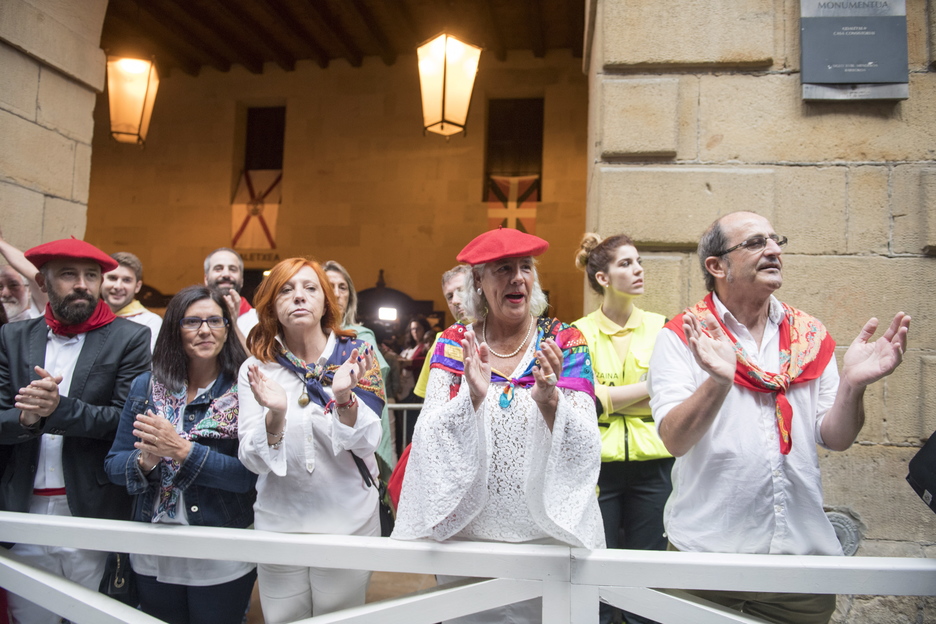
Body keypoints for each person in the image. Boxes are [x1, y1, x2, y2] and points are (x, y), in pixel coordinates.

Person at [648, 211, 910, 624]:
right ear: (717, 266)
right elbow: (675, 441)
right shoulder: (685, 335)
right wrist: (718, 381)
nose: (773, 250)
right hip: (705, 559)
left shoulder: (810, 336)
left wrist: (854, 386)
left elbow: (835, 437)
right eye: (754, 243)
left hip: (799, 569)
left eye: (775, 240)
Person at [392, 228, 604, 624]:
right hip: (466, 540)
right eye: (504, 269)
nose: (518, 278)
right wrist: (471, 397)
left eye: (526, 268)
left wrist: (550, 401)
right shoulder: (454, 343)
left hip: (545, 541)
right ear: (478, 281)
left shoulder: (564, 340)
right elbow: (429, 439)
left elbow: (586, 446)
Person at [0, 238, 151, 624]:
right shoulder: (12, 338)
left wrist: (57, 410)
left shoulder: (129, 338)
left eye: (91, 275)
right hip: (21, 510)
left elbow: (125, 422)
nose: (82, 284)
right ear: (42, 281)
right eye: (68, 275)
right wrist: (27, 419)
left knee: (92, 616)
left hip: (89, 509)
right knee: (27, 615)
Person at [237, 258, 385, 622]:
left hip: (347, 523)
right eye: (286, 290)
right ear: (272, 305)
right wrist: (276, 414)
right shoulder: (256, 369)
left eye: (309, 288)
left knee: (340, 618)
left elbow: (368, 444)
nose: (298, 297)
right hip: (279, 524)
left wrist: (345, 398)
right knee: (282, 618)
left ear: (325, 302)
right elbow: (250, 458)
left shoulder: (355, 357)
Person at [104, 285, 257, 624]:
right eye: (193, 322)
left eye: (215, 321)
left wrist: (181, 450)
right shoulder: (146, 387)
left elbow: (248, 477)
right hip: (154, 545)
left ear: (228, 329)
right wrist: (145, 461)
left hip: (220, 547)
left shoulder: (244, 390)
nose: (205, 330)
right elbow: (114, 465)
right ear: (175, 329)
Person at [572, 233, 672, 624]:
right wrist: (646, 392)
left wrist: (608, 398)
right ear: (603, 278)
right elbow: (581, 400)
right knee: (598, 570)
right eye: (626, 263)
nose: (638, 269)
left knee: (646, 574)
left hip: (655, 465)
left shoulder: (663, 327)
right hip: (599, 467)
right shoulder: (577, 332)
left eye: (638, 261)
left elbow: (670, 395)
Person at [323, 260, 395, 467]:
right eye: (330, 286)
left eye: (342, 287)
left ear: (350, 297)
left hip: (354, 428)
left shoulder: (361, 337)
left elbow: (371, 387)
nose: (336, 293)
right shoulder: (302, 335)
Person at [413, 265, 472, 399]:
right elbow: (428, 399)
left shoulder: (506, 330)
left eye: (462, 290)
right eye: (449, 296)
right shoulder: (442, 342)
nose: (455, 301)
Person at [103, 251, 163, 351]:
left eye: (126, 280)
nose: (118, 286)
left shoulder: (150, 323)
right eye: (112, 278)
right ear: (101, 280)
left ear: (137, 286)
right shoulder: (88, 315)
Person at [204, 247, 257, 350]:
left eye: (232, 269)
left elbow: (259, 363)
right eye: (218, 268)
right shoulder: (194, 317)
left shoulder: (259, 320)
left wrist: (233, 325)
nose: (226, 274)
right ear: (206, 279)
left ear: (241, 280)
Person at [395, 315, 431, 454]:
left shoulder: (426, 346)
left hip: (416, 392)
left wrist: (406, 362)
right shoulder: (411, 347)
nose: (415, 332)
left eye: (418, 329)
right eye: (412, 329)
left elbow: (423, 362)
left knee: (412, 430)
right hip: (405, 391)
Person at [0, 226, 46, 321]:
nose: (5, 294)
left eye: (13, 285)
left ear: (28, 291)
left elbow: (35, 275)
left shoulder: (34, 320)